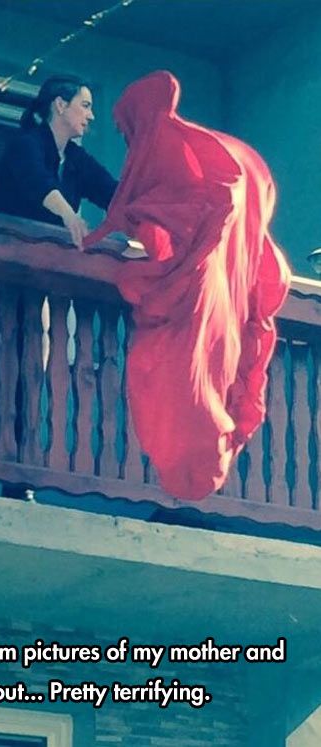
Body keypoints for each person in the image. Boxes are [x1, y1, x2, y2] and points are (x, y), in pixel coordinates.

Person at [85, 71, 291, 501]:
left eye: (126, 130)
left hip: (203, 296)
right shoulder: (211, 153)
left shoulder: (171, 149)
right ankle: (201, 451)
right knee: (200, 373)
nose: (127, 139)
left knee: (185, 374)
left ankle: (200, 449)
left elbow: (166, 226)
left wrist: (139, 245)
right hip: (222, 294)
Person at [0, 75, 118, 248]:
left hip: (44, 258)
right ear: (61, 105)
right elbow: (38, 182)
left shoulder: (77, 158)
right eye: (85, 106)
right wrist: (69, 217)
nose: (91, 116)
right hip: (2, 248)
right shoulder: (26, 144)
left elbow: (111, 192)